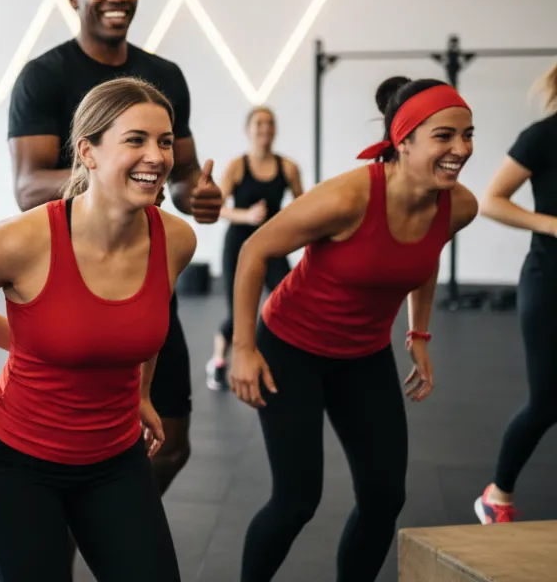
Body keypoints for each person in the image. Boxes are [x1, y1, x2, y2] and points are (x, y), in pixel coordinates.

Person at [0, 77, 195, 582]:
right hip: (16, 464)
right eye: (135, 140)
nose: (157, 156)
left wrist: (141, 393)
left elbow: (145, 324)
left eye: (164, 141)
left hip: (115, 459)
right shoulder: (28, 238)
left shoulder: (176, 240)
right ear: (88, 152)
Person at [230, 76, 479, 582]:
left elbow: (424, 258)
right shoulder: (347, 198)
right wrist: (241, 347)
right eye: (445, 136)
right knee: (297, 500)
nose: (461, 149)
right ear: (403, 141)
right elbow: (255, 249)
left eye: (468, 134)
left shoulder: (457, 205)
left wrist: (419, 334)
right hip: (291, 349)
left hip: (363, 355)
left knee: (385, 496)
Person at [8, 0, 222, 493]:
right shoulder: (45, 77)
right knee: (80, 445)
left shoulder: (166, 76)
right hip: (74, 282)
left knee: (171, 445)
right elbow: (29, 187)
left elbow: (179, 177)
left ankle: (113, 526)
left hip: (148, 282)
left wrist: (196, 194)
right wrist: (118, 179)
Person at [475, 62, 557, 525]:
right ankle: (496, 496)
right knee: (547, 400)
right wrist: (552, 225)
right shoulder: (542, 136)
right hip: (549, 281)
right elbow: (491, 200)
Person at [206, 106, 304, 391]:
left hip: (273, 245)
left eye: (269, 123)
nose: (265, 128)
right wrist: (247, 215)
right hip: (239, 245)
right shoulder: (238, 166)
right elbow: (218, 208)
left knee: (286, 303)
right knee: (237, 314)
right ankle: (218, 361)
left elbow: (303, 206)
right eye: (259, 123)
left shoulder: (288, 167)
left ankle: (280, 360)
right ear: (248, 130)